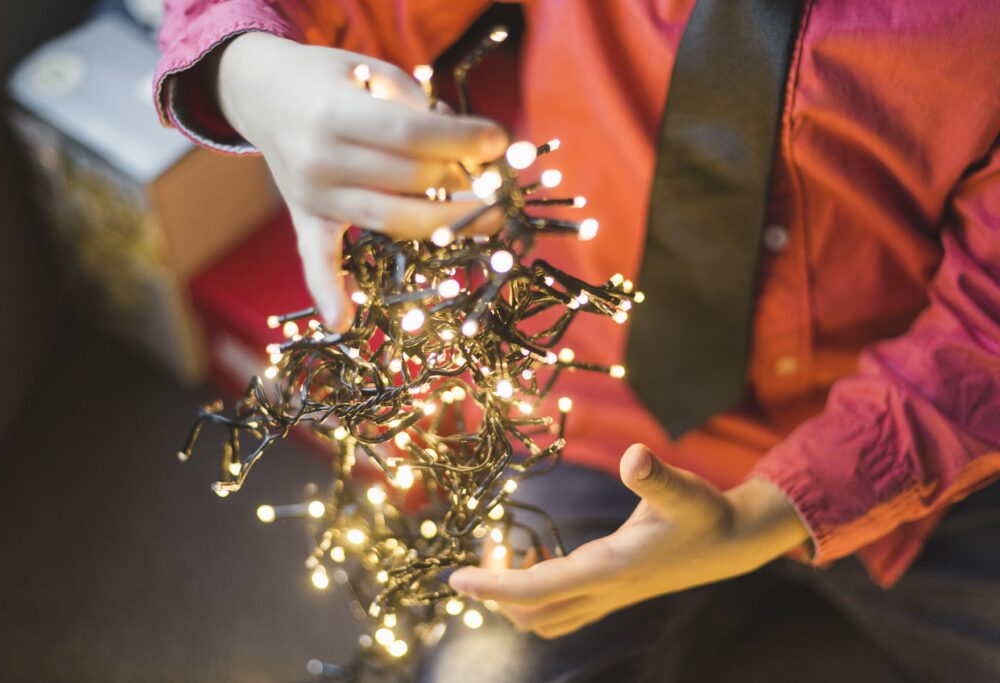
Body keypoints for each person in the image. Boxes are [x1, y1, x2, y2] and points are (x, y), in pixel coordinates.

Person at [153, 1, 1000, 680]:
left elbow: (983, 335)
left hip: (929, 468)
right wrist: (254, 75)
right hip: (597, 412)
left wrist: (761, 517)